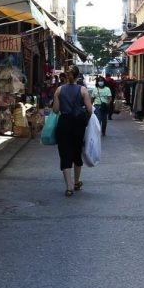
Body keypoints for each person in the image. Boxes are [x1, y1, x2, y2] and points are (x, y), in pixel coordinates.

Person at [51, 65, 94, 197]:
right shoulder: (83, 90)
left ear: (67, 76)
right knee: (76, 152)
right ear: (77, 76)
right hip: (78, 125)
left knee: (65, 154)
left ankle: (68, 187)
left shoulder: (59, 90)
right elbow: (90, 110)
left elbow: (55, 110)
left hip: (64, 124)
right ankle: (76, 182)